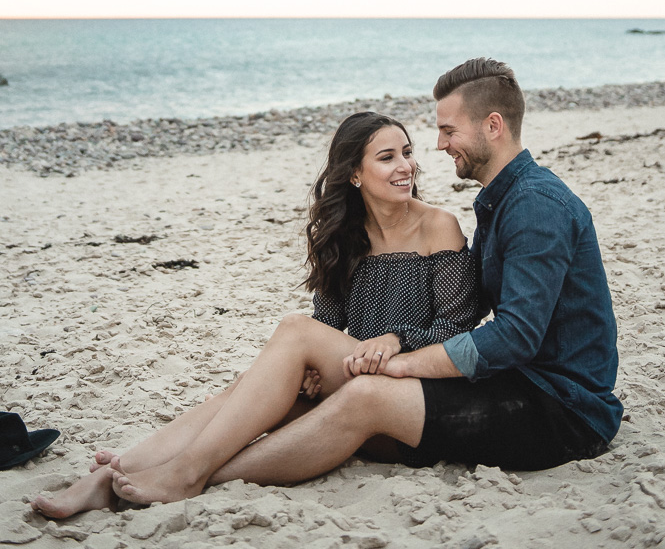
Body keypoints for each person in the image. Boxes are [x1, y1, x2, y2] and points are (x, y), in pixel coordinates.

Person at [31, 111, 477, 517]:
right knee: (244, 392)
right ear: (355, 174)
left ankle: (185, 473)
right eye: (387, 157)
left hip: (409, 397)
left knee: (293, 332)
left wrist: (395, 338)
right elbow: (328, 325)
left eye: (407, 152)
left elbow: (457, 325)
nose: (406, 166)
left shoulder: (438, 225)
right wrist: (309, 372)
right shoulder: (343, 237)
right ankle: (107, 478)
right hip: (351, 380)